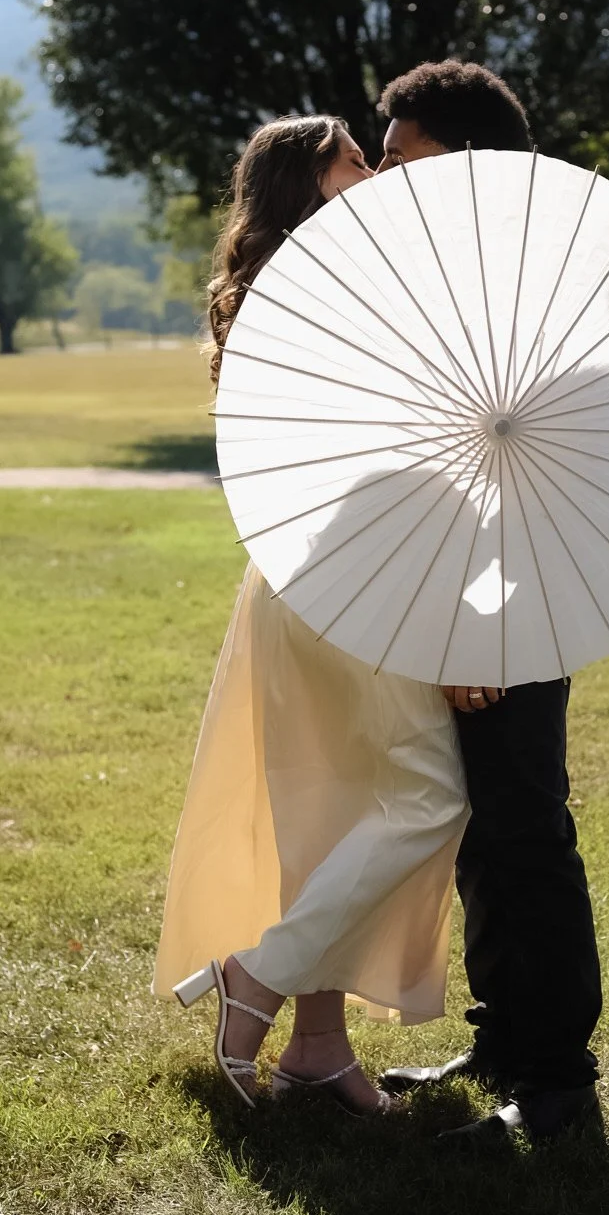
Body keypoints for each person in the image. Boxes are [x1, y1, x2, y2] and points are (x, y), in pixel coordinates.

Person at [154, 115, 470, 1115]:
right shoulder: (321, 294)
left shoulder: (284, 290)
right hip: (350, 578)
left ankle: (318, 1051)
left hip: (303, 579)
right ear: (306, 187)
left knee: (327, 809)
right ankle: (256, 978)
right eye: (352, 165)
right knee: (428, 796)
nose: (373, 177)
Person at [374, 61, 604, 1146]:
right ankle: (502, 1034)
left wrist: (479, 622)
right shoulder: (460, 269)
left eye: (400, 156)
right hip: (465, 584)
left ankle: (556, 1083)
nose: (382, 176)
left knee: (524, 825)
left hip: (521, 590)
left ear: (461, 159)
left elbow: (519, 469)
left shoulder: (526, 278)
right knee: (479, 830)